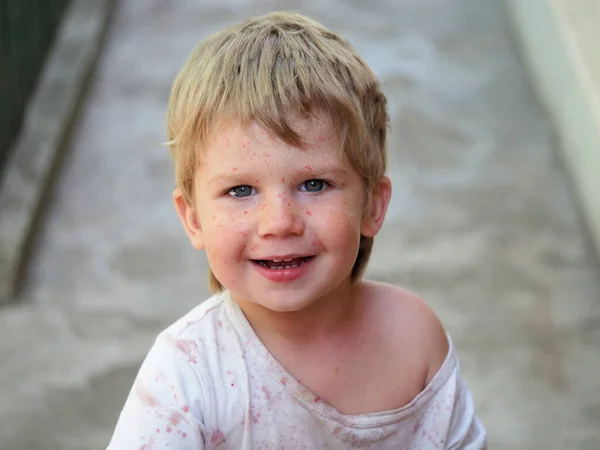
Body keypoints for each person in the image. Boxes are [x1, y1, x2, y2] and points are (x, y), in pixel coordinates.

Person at [107, 11, 486, 449]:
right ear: (193, 218)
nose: (280, 222)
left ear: (373, 204)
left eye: (314, 184)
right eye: (241, 190)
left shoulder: (416, 338)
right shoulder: (186, 375)